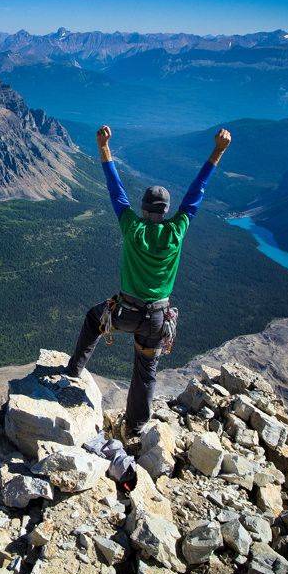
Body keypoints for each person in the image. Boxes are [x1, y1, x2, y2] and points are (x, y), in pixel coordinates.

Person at [66, 124, 232, 436]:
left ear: (143, 209)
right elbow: (196, 193)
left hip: (124, 313)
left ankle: (74, 370)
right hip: (157, 319)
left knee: (92, 318)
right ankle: (136, 427)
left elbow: (116, 190)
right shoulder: (176, 230)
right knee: (145, 371)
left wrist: (104, 147)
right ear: (167, 210)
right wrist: (218, 150)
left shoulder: (133, 227)